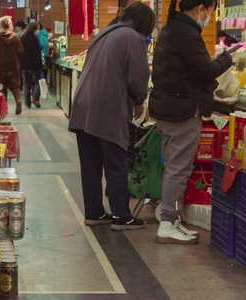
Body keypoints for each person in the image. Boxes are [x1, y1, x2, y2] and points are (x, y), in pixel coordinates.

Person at [150, 0, 233, 244]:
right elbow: (206, 70)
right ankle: (168, 223)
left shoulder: (169, 29)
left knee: (173, 168)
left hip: (165, 108)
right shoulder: (187, 33)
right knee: (179, 169)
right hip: (181, 112)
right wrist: (227, 59)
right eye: (210, 10)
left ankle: (169, 218)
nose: (208, 16)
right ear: (200, 8)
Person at [68, 2, 155, 231]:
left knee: (91, 164)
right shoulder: (134, 38)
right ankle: (121, 215)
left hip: (82, 106)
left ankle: (94, 212)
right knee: (117, 162)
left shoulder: (104, 33)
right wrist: (139, 101)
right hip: (107, 108)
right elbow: (138, 77)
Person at [0, 16, 24, 115]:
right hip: (13, 66)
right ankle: (18, 100)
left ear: (0, 26)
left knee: (2, 88)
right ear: (10, 25)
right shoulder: (15, 37)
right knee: (15, 86)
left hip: (0, 67)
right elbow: (21, 50)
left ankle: (5, 108)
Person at [20, 22, 43, 109]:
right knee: (37, 82)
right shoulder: (34, 39)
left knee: (26, 84)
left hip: (23, 65)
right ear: (35, 29)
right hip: (33, 65)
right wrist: (39, 65)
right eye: (37, 29)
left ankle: (27, 103)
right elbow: (37, 54)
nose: (38, 31)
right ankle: (35, 98)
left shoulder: (22, 38)